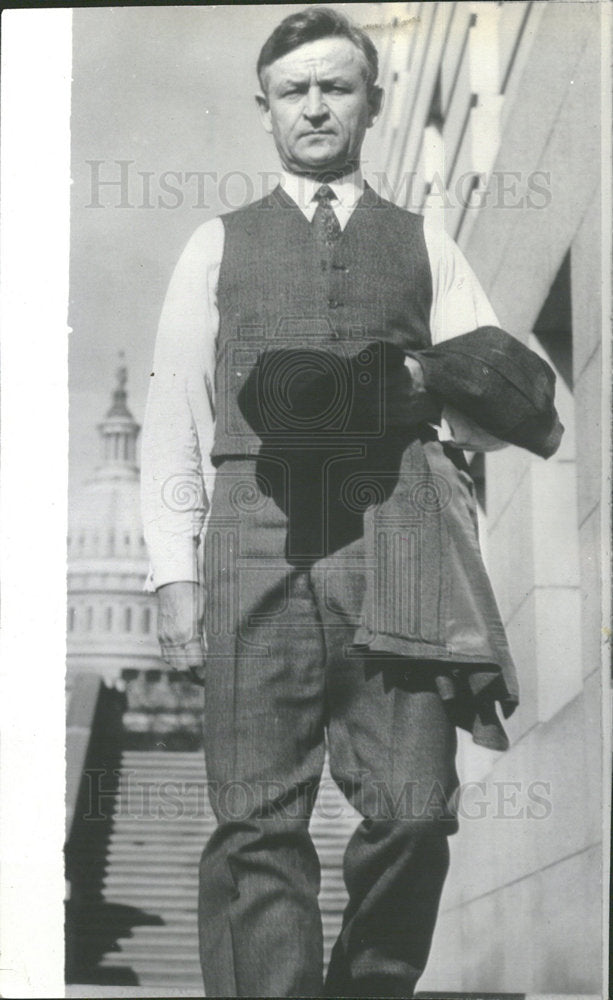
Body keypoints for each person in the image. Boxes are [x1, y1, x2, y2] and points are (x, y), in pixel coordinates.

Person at [141, 8, 562, 997]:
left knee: (415, 807)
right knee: (255, 817)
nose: (316, 107)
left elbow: (505, 400)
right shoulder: (216, 244)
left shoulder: (424, 241)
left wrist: (422, 399)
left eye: (336, 87)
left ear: (370, 100)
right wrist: (171, 576)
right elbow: (175, 411)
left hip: (401, 541)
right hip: (253, 535)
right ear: (265, 110)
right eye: (296, 91)